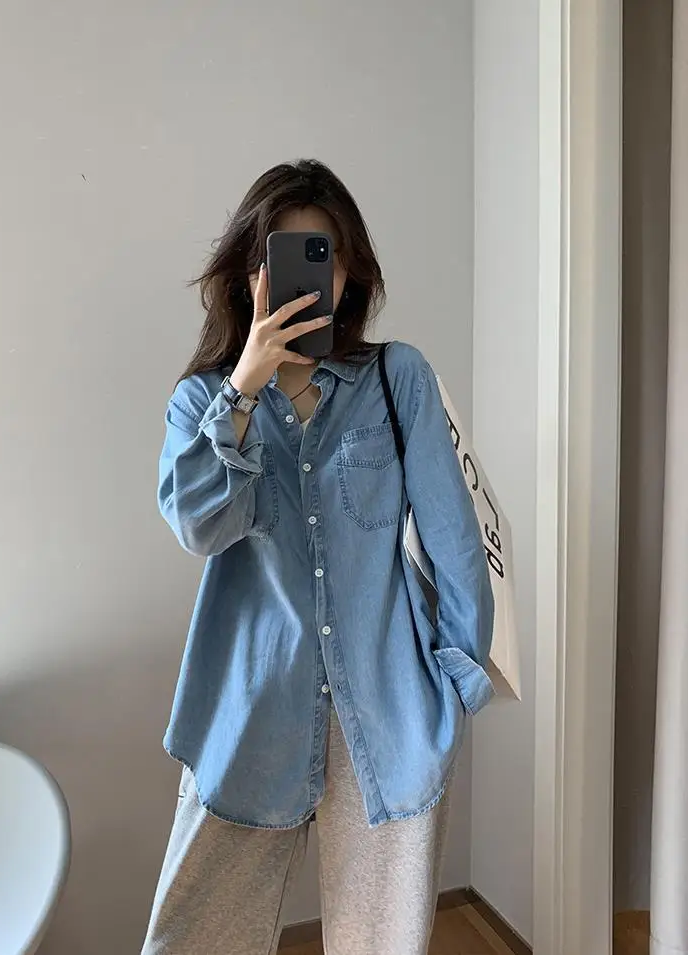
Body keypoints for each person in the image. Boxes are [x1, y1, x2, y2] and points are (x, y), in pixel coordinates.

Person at [141, 159, 494, 955]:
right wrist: (243, 389)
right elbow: (200, 526)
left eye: (323, 255)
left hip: (391, 708)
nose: (309, 278)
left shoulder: (397, 377)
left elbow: (454, 539)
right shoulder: (202, 402)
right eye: (284, 256)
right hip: (248, 707)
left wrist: (454, 683)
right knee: (193, 941)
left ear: (350, 271)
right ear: (249, 272)